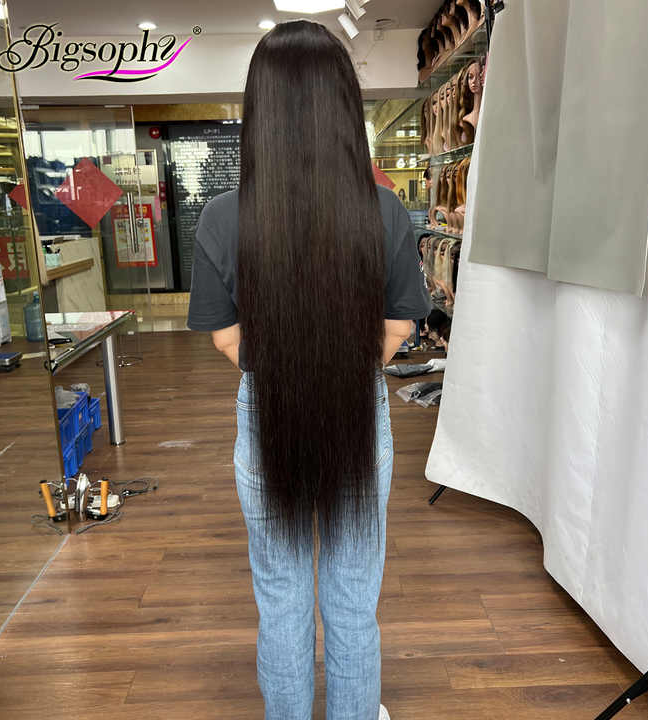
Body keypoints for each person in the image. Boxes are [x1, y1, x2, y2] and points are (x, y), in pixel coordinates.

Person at [187, 20, 432, 720]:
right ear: (344, 108)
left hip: (266, 414)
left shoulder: (221, 218)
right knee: (353, 603)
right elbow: (399, 325)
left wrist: (286, 365)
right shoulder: (383, 210)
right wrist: (342, 366)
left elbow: (227, 340)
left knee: (281, 600)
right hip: (358, 410)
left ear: (258, 109)